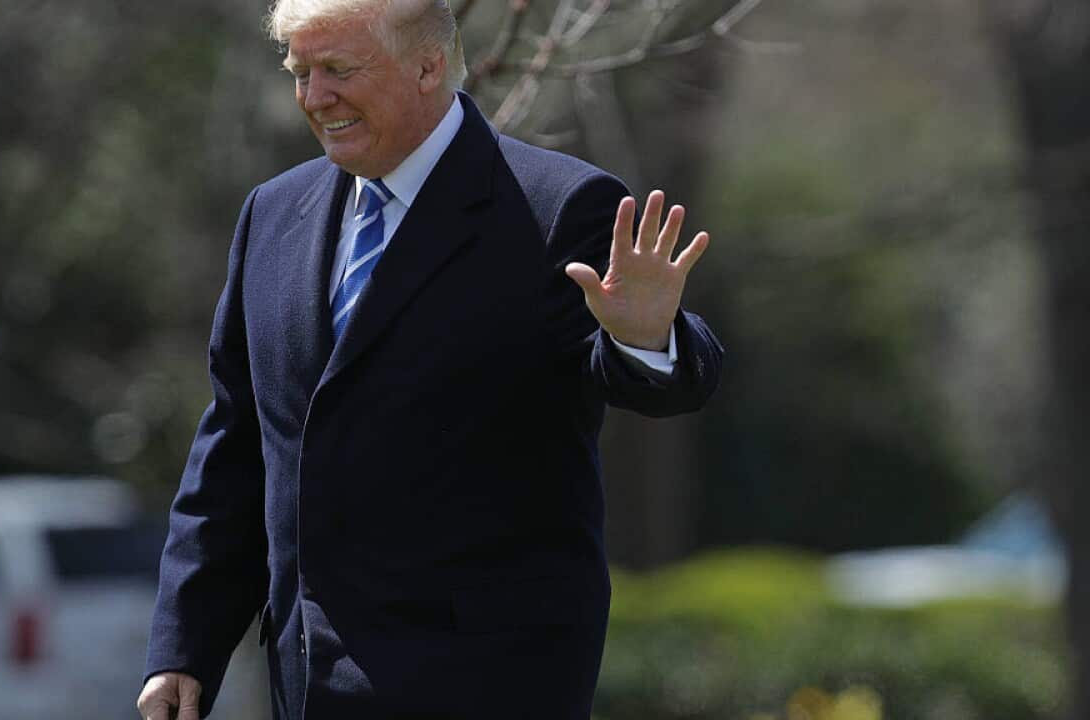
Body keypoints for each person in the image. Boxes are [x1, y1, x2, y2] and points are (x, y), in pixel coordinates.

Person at [138, 1, 722, 718]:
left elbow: (667, 384)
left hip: (487, 685)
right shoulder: (271, 214)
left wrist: (643, 335)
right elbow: (237, 447)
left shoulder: (556, 207)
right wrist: (183, 648)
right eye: (302, 72)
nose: (315, 97)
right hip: (306, 685)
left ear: (427, 66)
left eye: (339, 70)